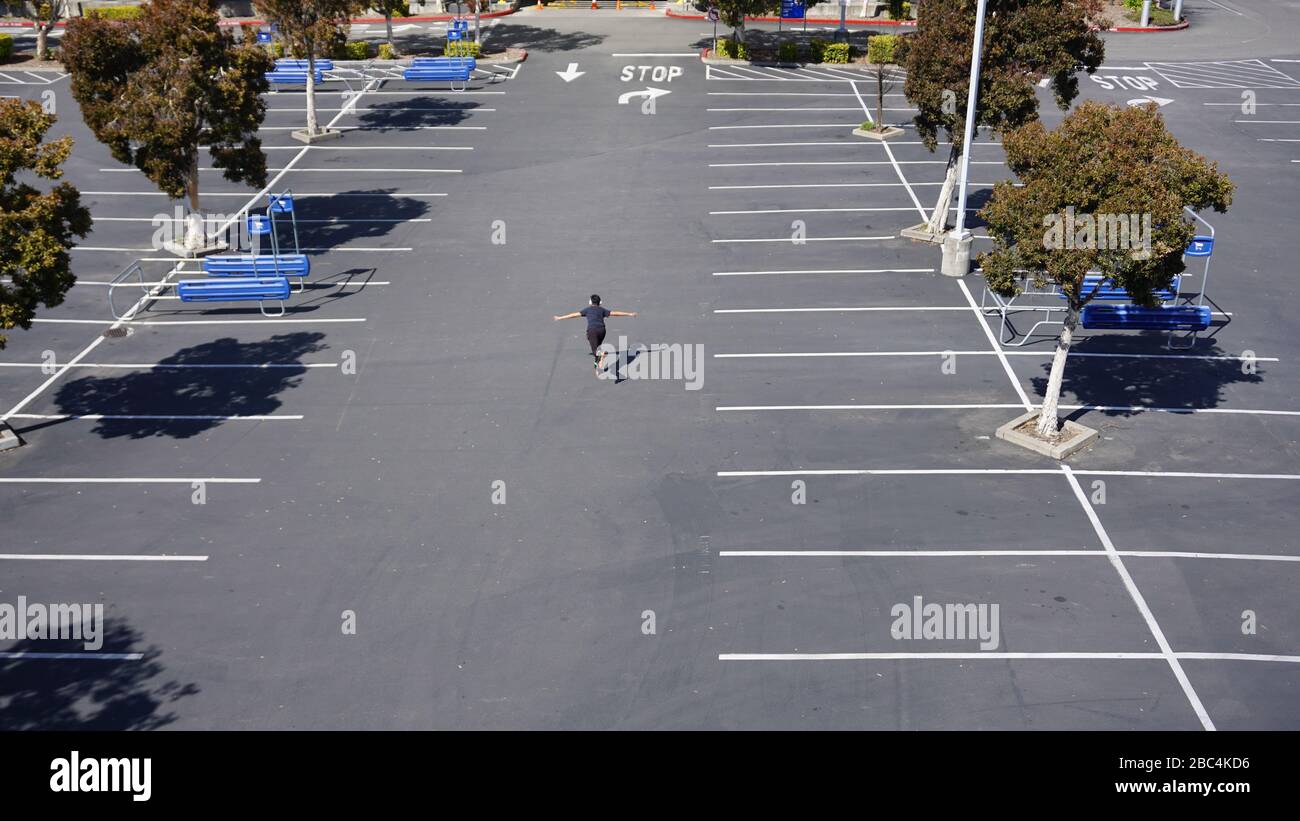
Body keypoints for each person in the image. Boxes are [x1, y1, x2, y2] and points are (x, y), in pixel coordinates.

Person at [553, 294, 637, 372]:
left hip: (592, 331)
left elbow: (574, 315)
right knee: (597, 347)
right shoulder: (602, 310)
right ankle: (598, 361)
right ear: (600, 303)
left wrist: (560, 318)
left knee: (595, 350)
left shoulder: (587, 310)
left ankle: (601, 356)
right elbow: (615, 313)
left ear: (590, 302)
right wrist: (629, 314)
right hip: (602, 331)